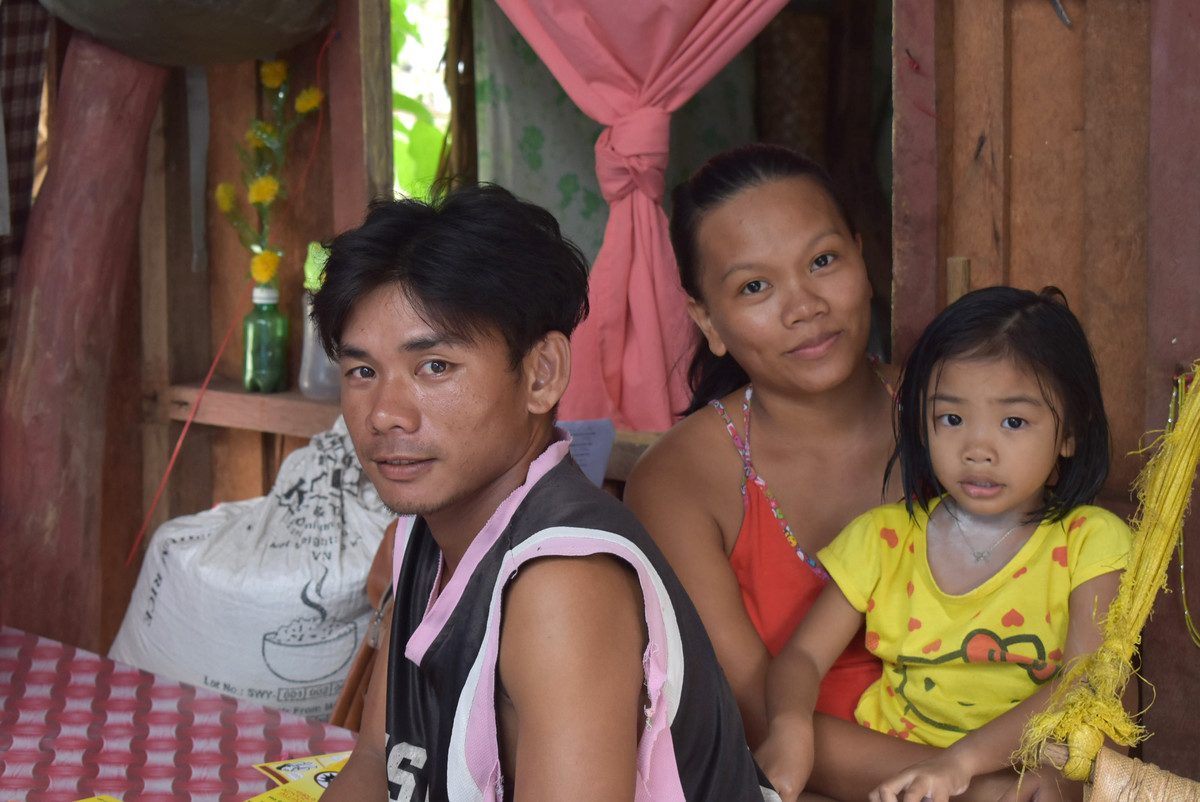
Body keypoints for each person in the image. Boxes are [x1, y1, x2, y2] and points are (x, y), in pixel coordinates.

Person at [312, 184, 773, 801]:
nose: (386, 414)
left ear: (542, 374)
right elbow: (377, 759)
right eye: (362, 371)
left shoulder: (562, 583)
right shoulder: (424, 535)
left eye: (434, 367)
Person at [755, 286, 1133, 802]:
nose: (977, 450)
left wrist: (962, 764)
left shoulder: (1090, 539)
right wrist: (790, 725)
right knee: (803, 732)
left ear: (1070, 433)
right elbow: (801, 656)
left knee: (1059, 777)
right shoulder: (885, 537)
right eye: (951, 419)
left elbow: (1082, 686)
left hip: (1021, 764)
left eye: (1014, 422)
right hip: (892, 767)